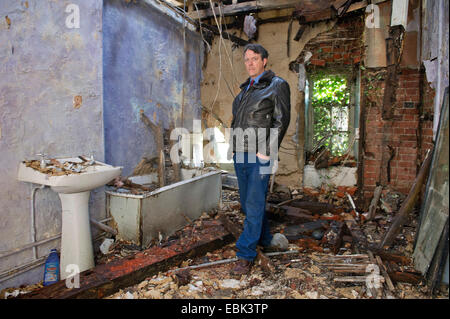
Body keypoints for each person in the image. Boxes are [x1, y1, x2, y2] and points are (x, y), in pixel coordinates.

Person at [228, 43, 291, 275]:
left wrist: (267, 150)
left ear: (264, 61)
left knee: (253, 204)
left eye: (254, 59)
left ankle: (245, 254)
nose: (250, 63)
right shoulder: (244, 91)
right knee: (247, 204)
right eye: (247, 60)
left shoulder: (277, 85)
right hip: (241, 154)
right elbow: (236, 122)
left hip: (259, 155)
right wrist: (234, 148)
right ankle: (264, 237)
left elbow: (281, 120)